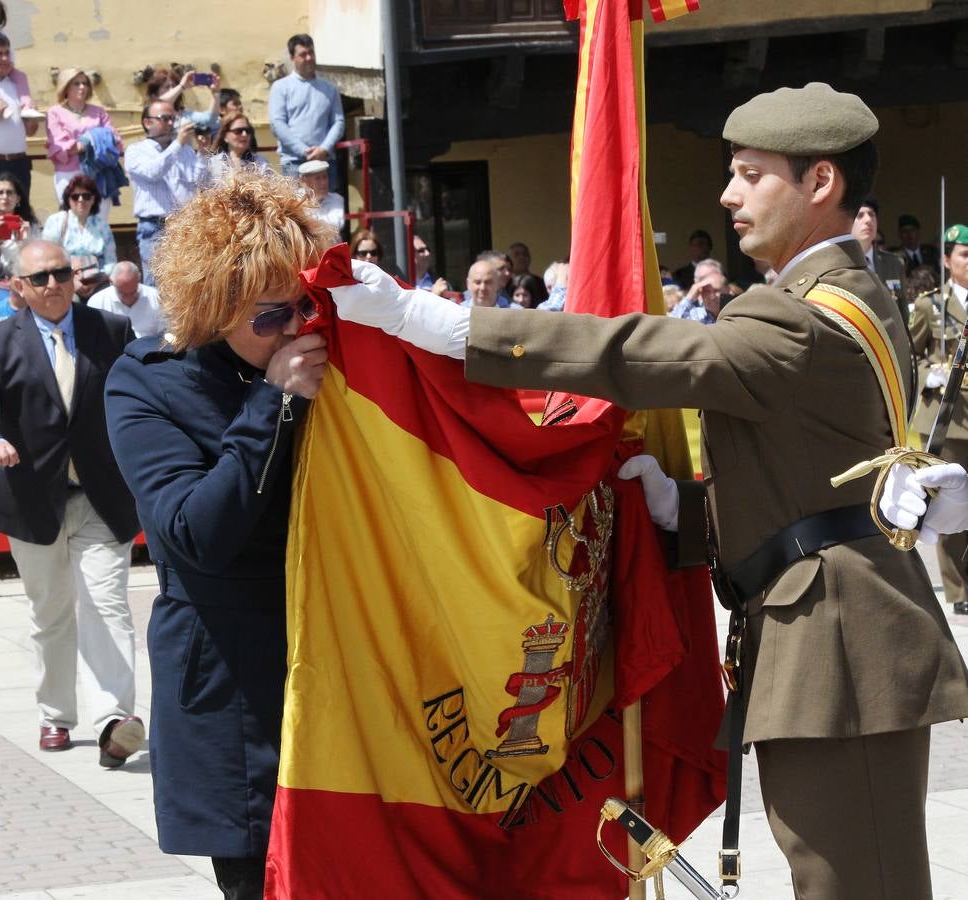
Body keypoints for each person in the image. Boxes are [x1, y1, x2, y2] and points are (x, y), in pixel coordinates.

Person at [326, 82, 968, 900]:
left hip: (838, 649)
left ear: (820, 184)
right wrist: (684, 511)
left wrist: (448, 327)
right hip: (828, 634)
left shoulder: (802, 317)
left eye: (749, 174)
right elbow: (803, 474)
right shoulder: (847, 296)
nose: (728, 195)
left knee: (856, 886)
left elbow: (647, 352)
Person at [104, 169, 332, 900]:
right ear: (213, 304)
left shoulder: (322, 355)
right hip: (229, 680)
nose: (293, 329)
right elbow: (193, 532)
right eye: (270, 317)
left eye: (305, 308)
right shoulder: (148, 380)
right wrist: (272, 404)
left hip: (334, 662)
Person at [0, 239, 143, 766]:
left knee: (107, 605)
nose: (52, 284)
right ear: (19, 288)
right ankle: (56, 715)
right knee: (51, 613)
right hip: (32, 503)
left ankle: (114, 721)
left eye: (59, 273)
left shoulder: (112, 331)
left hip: (102, 497)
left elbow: (141, 398)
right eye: (39, 278)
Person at [908, 223, 968, 615]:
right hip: (952, 416)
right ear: (947, 261)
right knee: (953, 504)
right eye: (964, 254)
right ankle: (960, 591)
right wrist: (931, 369)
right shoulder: (933, 304)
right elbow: (909, 354)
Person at [124, 99, 208, 286]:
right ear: (147, 123)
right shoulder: (135, 150)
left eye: (173, 118)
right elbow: (153, 172)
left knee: (187, 283)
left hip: (185, 224)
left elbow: (199, 182)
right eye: (165, 118)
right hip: (155, 226)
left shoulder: (184, 150)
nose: (171, 123)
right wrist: (177, 144)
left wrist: (202, 152)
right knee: (156, 283)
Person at [45, 68, 122, 216]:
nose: (82, 87)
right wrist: (96, 140)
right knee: (71, 220)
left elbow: (114, 139)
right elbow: (61, 146)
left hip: (99, 173)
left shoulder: (99, 112)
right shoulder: (55, 112)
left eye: (85, 83)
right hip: (69, 173)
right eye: (76, 83)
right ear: (65, 86)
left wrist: (84, 143)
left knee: (99, 220)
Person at [268, 34, 344, 182]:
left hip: (325, 163)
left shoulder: (329, 88)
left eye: (311, 52)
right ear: (292, 58)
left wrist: (324, 149)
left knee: (328, 205)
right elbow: (277, 124)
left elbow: (338, 122)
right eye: (303, 54)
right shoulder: (281, 87)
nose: (309, 58)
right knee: (296, 205)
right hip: (294, 163)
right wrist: (304, 151)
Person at [0, 30, 38, 193]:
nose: (4, 58)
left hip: (19, 163)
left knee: (21, 214)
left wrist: (32, 120)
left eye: (7, 53)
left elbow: (30, 132)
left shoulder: (18, 84)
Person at [41, 174, 117, 273]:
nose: (81, 200)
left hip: (97, 281)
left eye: (86, 196)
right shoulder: (56, 221)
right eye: (75, 196)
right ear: (68, 199)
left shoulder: (102, 226)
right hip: (65, 279)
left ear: (93, 199)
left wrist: (100, 278)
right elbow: (47, 257)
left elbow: (111, 261)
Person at [852, 198, 906, 315]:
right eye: (860, 215)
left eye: (872, 215)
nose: (868, 220)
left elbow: (903, 311)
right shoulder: (841, 263)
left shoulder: (894, 263)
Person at [89, 261, 166, 338]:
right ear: (111, 282)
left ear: (139, 279)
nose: (129, 298)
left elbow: (164, 333)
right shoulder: (97, 302)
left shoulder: (156, 297)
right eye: (123, 293)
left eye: (133, 292)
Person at [0, 170, 35, 280]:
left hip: (24, 282)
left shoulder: (30, 225)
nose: (5, 197)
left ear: (18, 198)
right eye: (0, 192)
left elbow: (35, 266)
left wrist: (25, 243)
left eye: (9, 192)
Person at [208, 112, 271, 180]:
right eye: (238, 131)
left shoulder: (261, 162)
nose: (244, 134)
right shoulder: (215, 163)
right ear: (225, 136)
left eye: (247, 131)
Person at [298, 158, 343, 234]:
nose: (323, 182)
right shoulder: (295, 201)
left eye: (325, 177)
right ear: (303, 181)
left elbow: (336, 226)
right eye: (317, 178)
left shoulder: (337, 199)